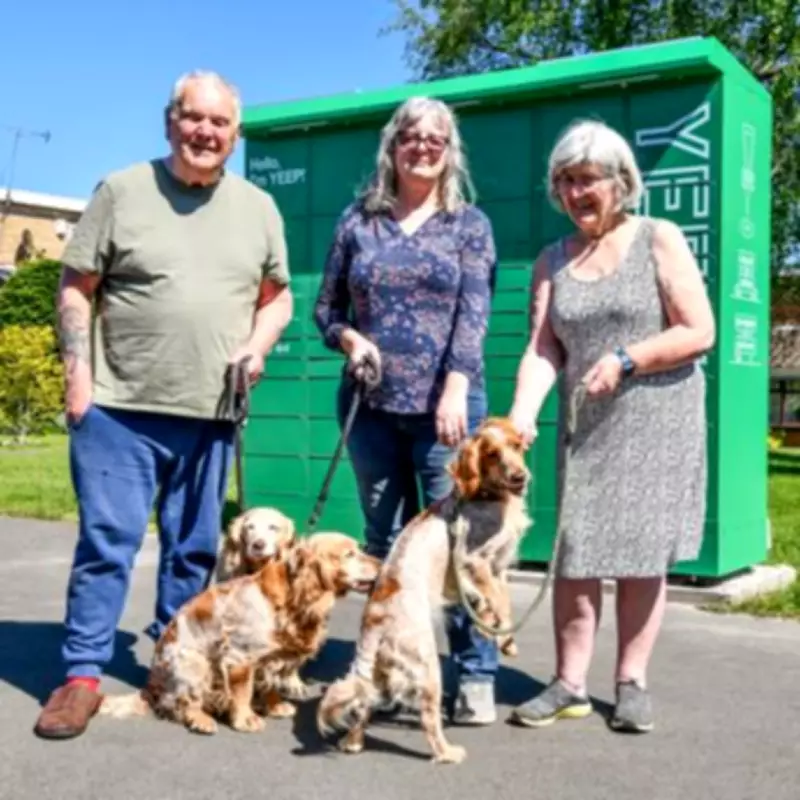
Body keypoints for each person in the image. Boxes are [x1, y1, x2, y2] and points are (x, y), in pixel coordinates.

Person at [34, 70, 293, 740]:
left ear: (235, 136)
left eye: (220, 124)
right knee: (107, 544)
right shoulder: (122, 191)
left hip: (210, 412)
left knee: (195, 548)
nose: (205, 132)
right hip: (119, 407)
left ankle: (179, 672)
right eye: (193, 118)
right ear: (170, 120)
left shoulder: (259, 208)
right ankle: (81, 677)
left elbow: (278, 298)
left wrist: (259, 346)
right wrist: (77, 377)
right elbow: (75, 287)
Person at [507, 119, 715, 733]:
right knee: (574, 554)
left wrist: (627, 359)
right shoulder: (552, 259)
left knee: (640, 553)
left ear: (621, 181)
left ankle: (631, 682)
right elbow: (544, 349)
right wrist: (523, 413)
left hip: (655, 416)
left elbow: (699, 330)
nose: (575, 193)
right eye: (564, 182)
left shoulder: (659, 238)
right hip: (586, 423)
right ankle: (569, 682)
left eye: (586, 180)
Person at [313, 96, 500, 724]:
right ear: (391, 146)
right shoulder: (358, 221)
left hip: (447, 408)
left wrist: (454, 384)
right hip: (369, 408)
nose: (423, 147)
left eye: (437, 139)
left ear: (450, 153)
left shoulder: (468, 224)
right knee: (386, 544)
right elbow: (326, 311)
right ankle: (393, 672)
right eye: (411, 137)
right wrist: (350, 339)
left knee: (461, 540)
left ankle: (474, 675)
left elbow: (474, 316)